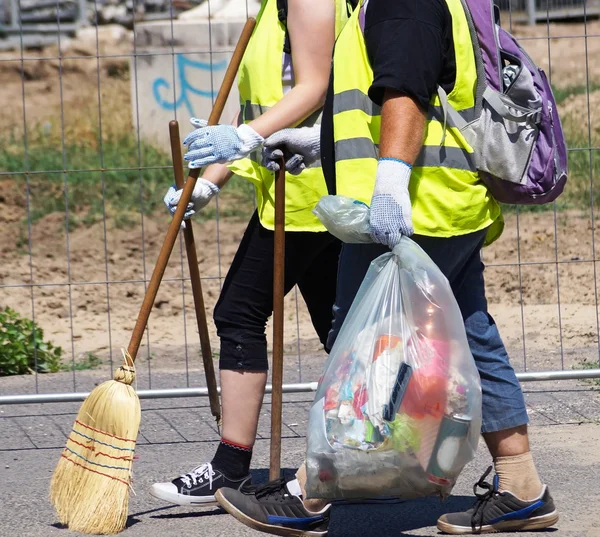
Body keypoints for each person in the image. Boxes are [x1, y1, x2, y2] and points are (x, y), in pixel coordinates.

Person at [213, 0, 559, 535]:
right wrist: (319, 142)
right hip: (448, 206)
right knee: (472, 333)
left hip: (413, 210)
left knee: (363, 339)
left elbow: (406, 90)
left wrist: (392, 177)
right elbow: (395, 91)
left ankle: (310, 492)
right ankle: (522, 485)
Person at [150, 0, 356, 507]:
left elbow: (314, 87)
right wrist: (210, 182)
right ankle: (382, 456)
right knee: (346, 332)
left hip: (313, 196)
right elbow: (263, 106)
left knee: (239, 313)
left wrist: (242, 136)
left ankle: (230, 468)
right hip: (290, 196)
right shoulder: (269, 8)